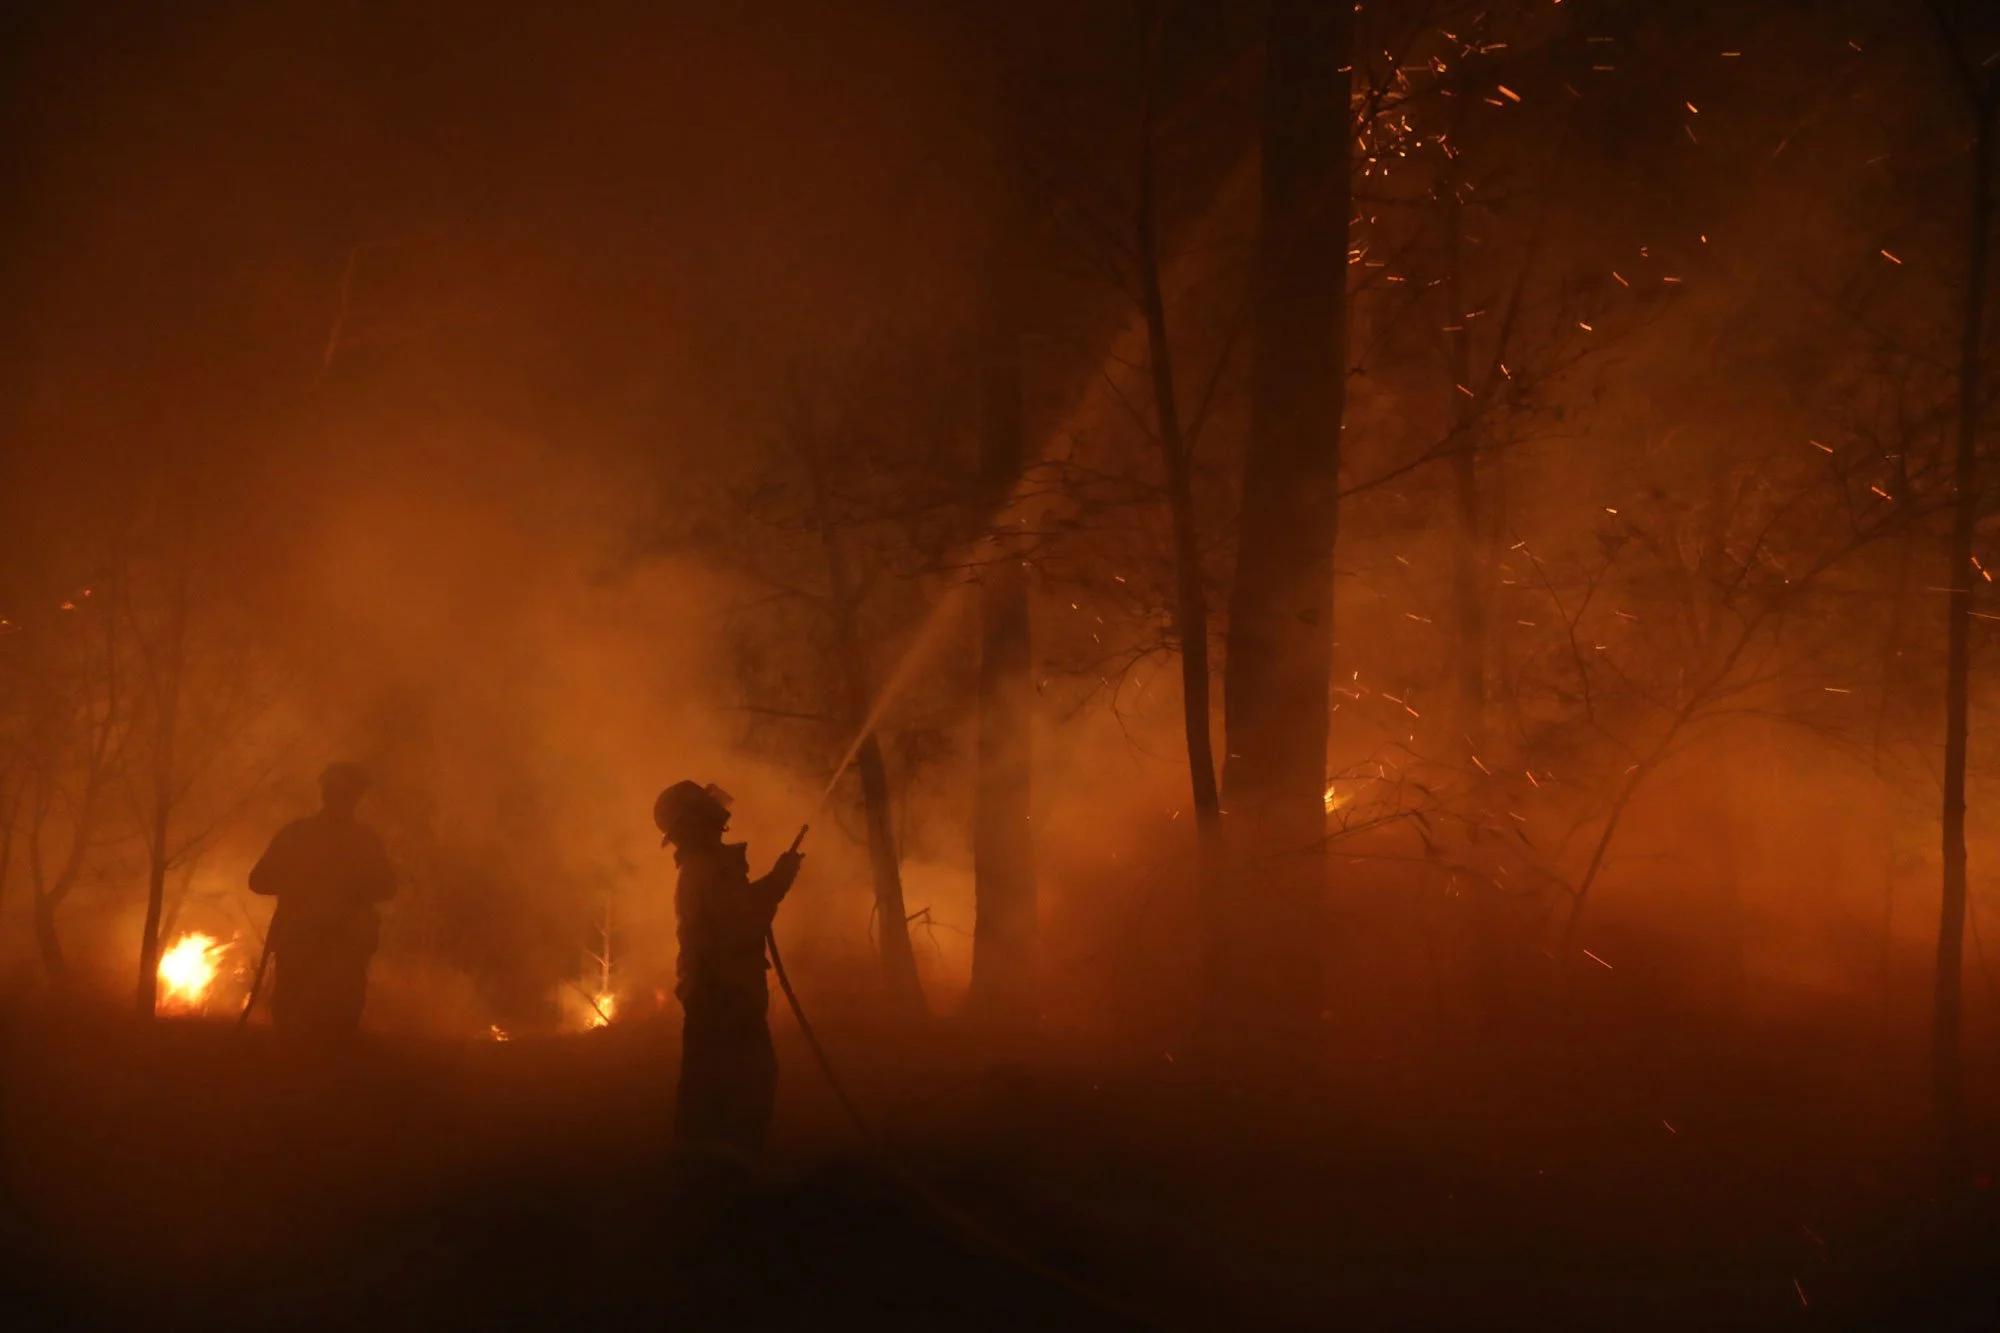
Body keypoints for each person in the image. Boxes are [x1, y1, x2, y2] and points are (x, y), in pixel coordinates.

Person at [655, 780, 803, 1161]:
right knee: (749, 1081)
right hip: (723, 993)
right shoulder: (709, 869)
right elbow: (745, 921)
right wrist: (780, 881)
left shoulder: (702, 868)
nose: (720, 819)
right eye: (708, 811)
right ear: (694, 822)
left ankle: (703, 1173)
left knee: (708, 1087)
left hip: (715, 992)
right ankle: (731, 1174)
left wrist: (775, 879)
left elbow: (739, 910)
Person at [249, 762, 396, 1040]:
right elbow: (258, 880)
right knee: (305, 1022)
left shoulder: (305, 835)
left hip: (338, 946)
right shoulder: (356, 840)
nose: (347, 798)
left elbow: (387, 887)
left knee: (327, 1022)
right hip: (311, 944)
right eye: (345, 792)